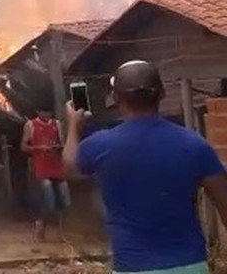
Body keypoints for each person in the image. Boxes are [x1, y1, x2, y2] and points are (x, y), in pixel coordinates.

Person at [63, 60, 227, 274]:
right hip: (190, 265)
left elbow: (70, 170)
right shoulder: (195, 145)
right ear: (162, 94)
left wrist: (74, 125)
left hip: (133, 267)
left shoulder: (100, 145)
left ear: (114, 98)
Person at [21, 105, 70, 241]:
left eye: (49, 111)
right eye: (44, 110)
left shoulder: (57, 124)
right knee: (48, 200)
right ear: (38, 111)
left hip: (57, 167)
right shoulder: (30, 125)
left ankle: (61, 233)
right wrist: (39, 148)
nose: (47, 114)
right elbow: (23, 146)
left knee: (64, 200)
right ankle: (40, 225)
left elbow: (63, 143)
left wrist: (58, 148)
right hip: (41, 168)